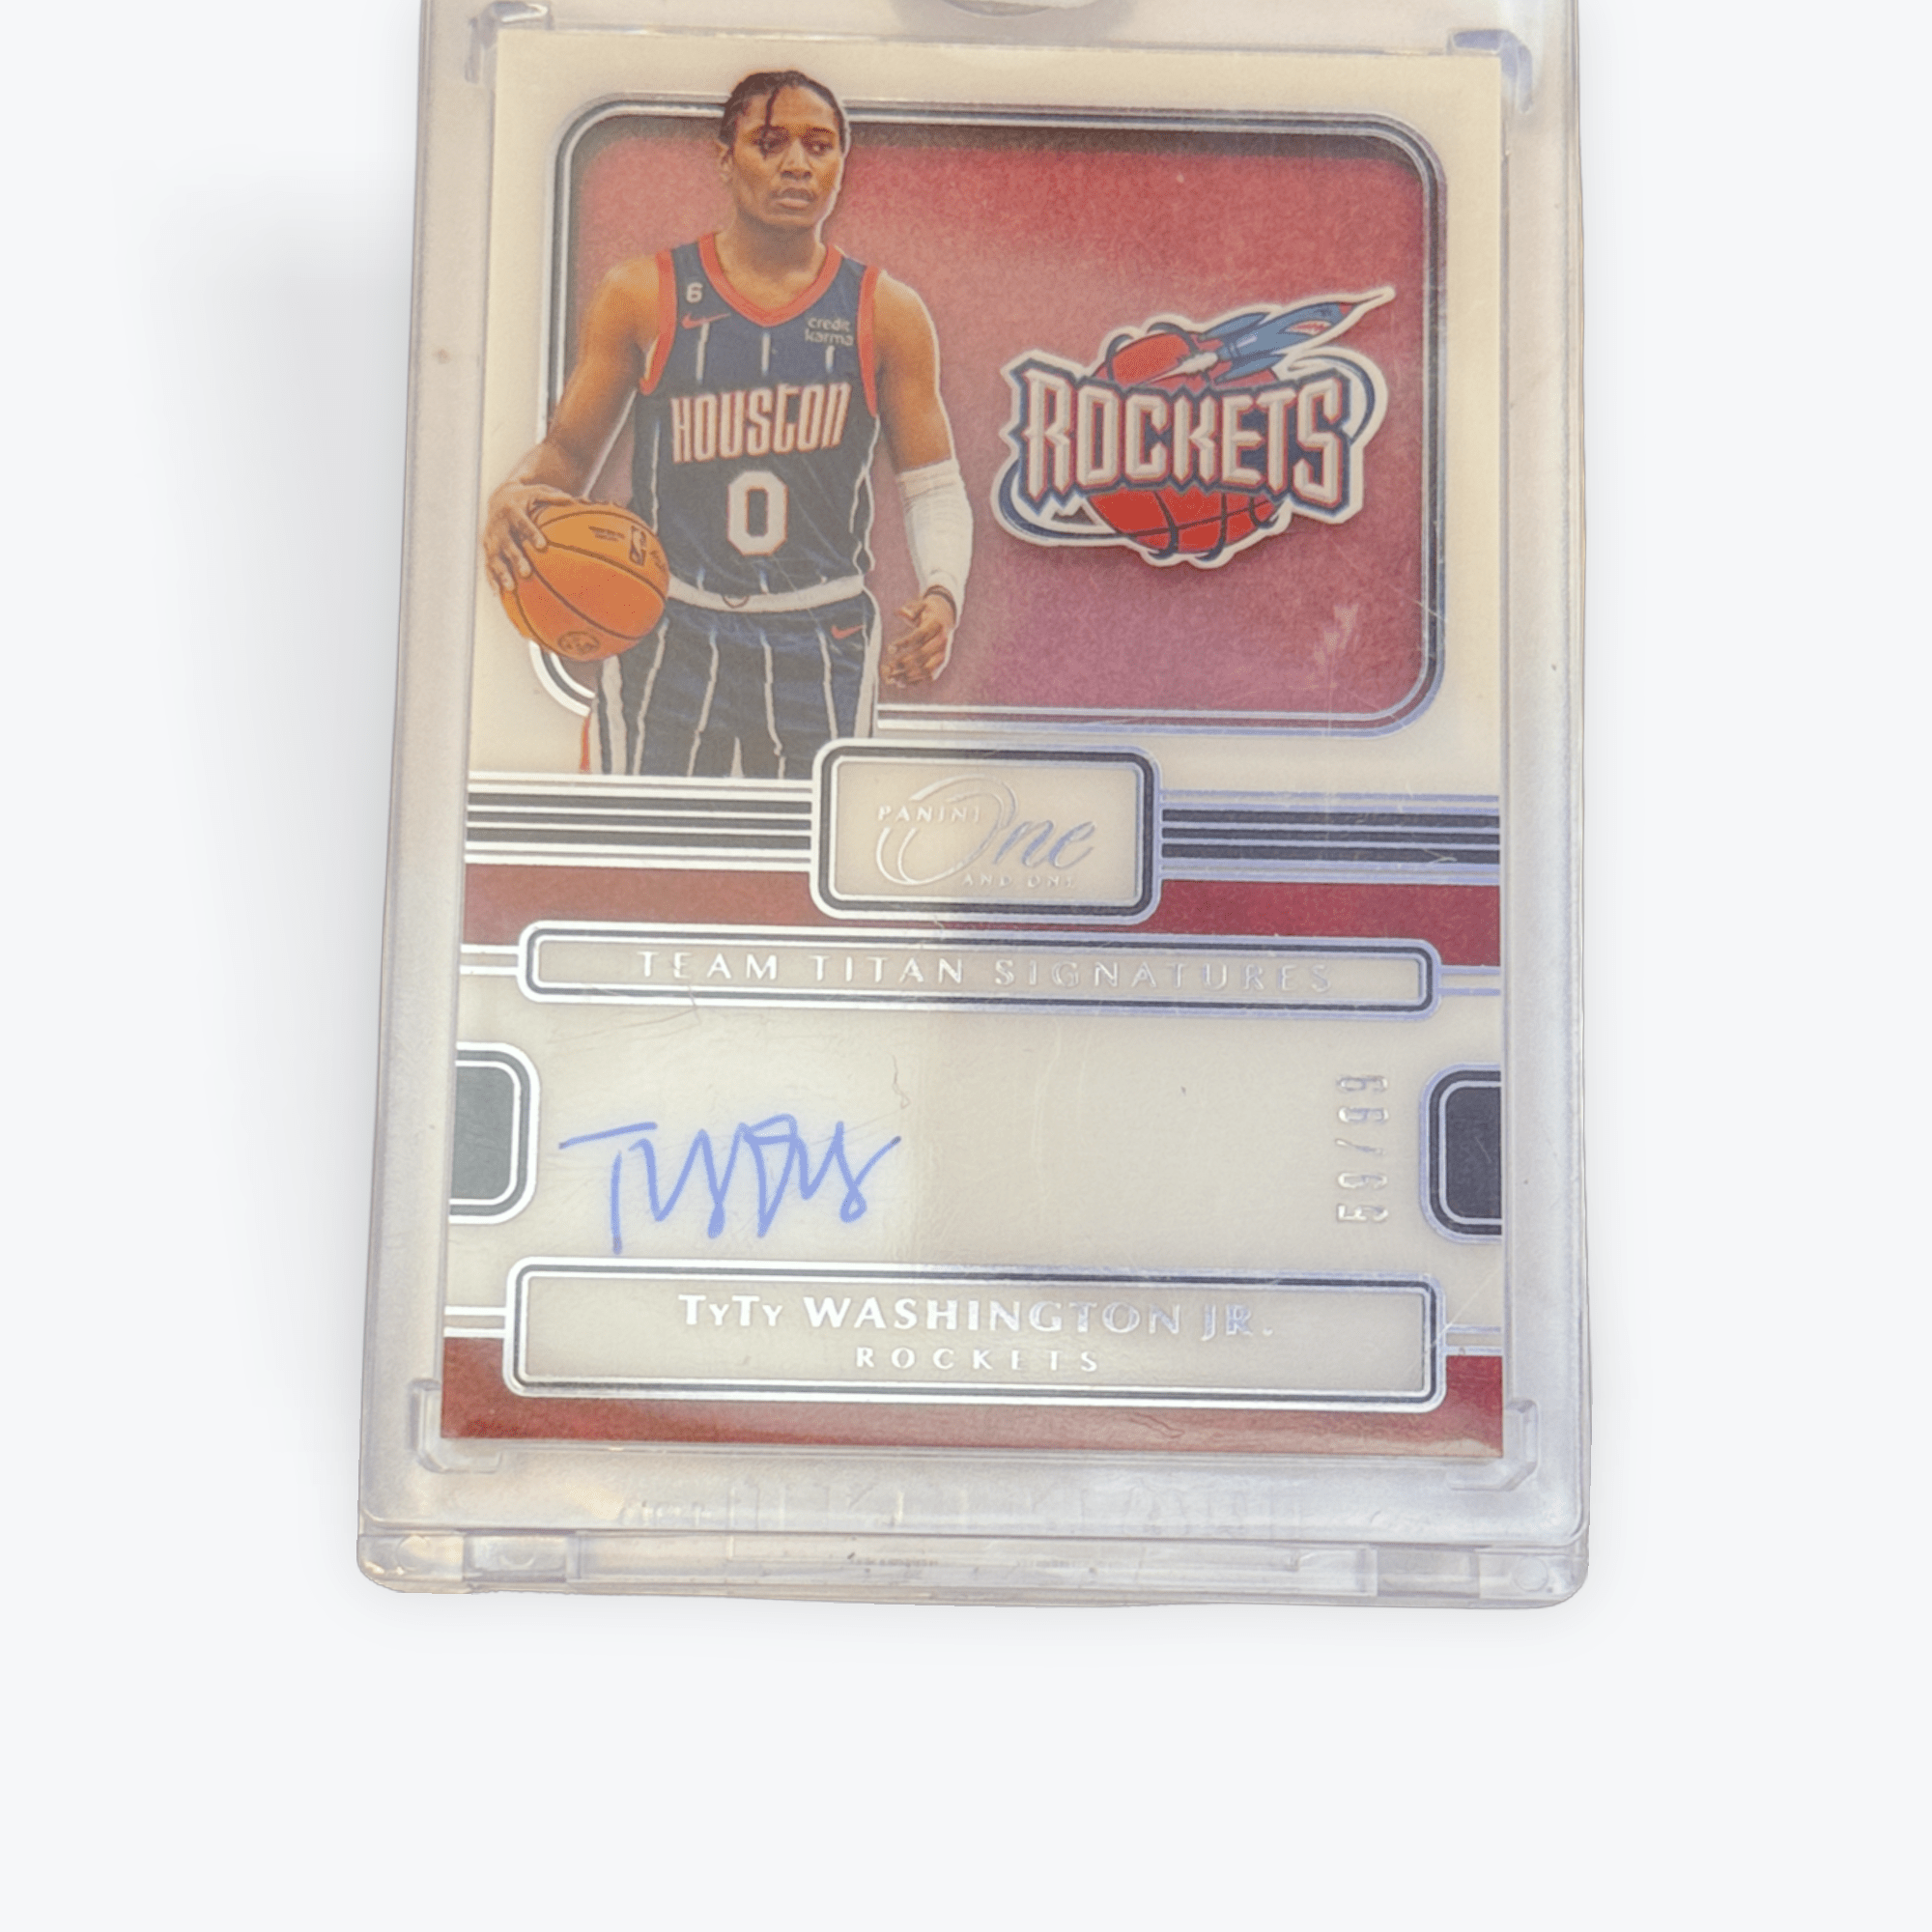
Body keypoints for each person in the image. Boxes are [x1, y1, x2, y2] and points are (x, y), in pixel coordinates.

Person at [483, 69, 971, 779]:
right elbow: (568, 451)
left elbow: (932, 484)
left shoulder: (887, 311)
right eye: (769, 143)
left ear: (843, 160)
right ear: (724, 157)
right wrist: (518, 491)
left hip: (821, 627)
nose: (797, 164)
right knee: (646, 841)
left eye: (819, 145)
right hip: (671, 620)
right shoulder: (642, 293)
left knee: (811, 846)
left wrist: (943, 591)